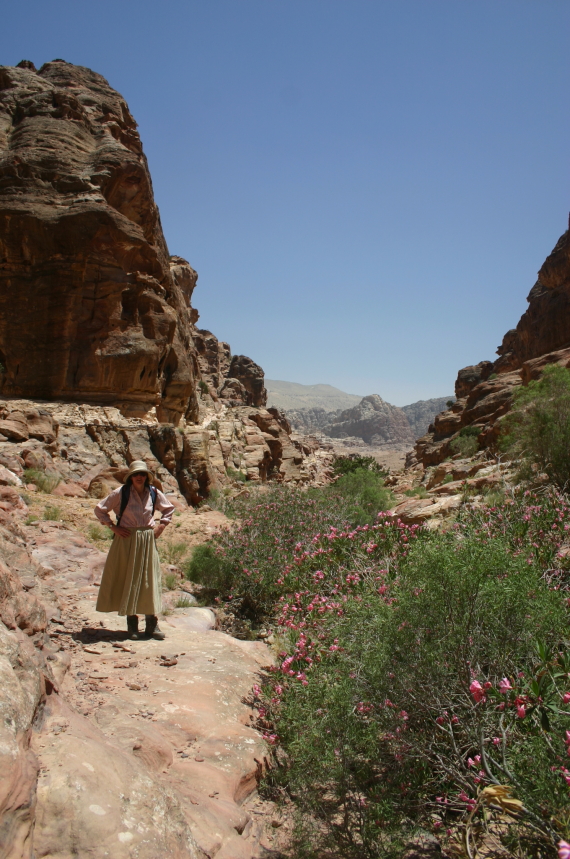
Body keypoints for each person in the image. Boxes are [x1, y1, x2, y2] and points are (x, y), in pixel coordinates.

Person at [93, 460, 175, 640]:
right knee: (128, 578)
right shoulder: (120, 493)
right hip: (126, 539)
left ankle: (152, 625)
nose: (139, 477)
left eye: (142, 474)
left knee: (148, 579)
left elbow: (168, 509)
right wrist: (112, 527)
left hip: (147, 539)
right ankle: (132, 626)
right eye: (136, 474)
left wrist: (161, 527)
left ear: (146, 477)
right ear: (131, 477)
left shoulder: (153, 492)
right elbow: (100, 510)